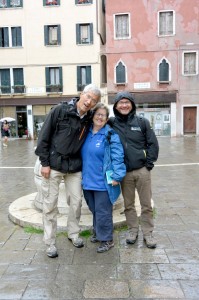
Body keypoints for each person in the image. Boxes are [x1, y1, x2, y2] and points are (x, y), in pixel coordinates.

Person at [35, 84, 101, 258]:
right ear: (81, 94)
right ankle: (49, 242)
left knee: (76, 202)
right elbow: (43, 137)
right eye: (88, 97)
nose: (89, 102)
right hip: (54, 165)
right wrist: (44, 163)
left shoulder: (89, 118)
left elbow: (104, 119)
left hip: (74, 167)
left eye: (94, 100)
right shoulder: (60, 110)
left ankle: (73, 233)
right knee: (50, 205)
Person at [109, 91, 159, 248]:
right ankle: (132, 230)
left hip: (142, 170)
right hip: (123, 173)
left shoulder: (142, 122)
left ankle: (148, 233)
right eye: (120, 103)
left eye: (127, 102)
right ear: (116, 106)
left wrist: (148, 164)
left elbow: (153, 143)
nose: (124, 105)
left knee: (146, 204)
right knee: (128, 205)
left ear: (132, 105)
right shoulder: (111, 123)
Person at [81, 103, 126, 253]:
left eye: (103, 115)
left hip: (103, 182)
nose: (100, 117)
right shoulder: (86, 133)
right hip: (88, 181)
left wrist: (118, 176)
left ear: (107, 119)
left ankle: (107, 240)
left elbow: (118, 156)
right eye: (98, 114)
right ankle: (97, 232)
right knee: (94, 209)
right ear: (93, 116)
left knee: (103, 212)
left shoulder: (110, 135)